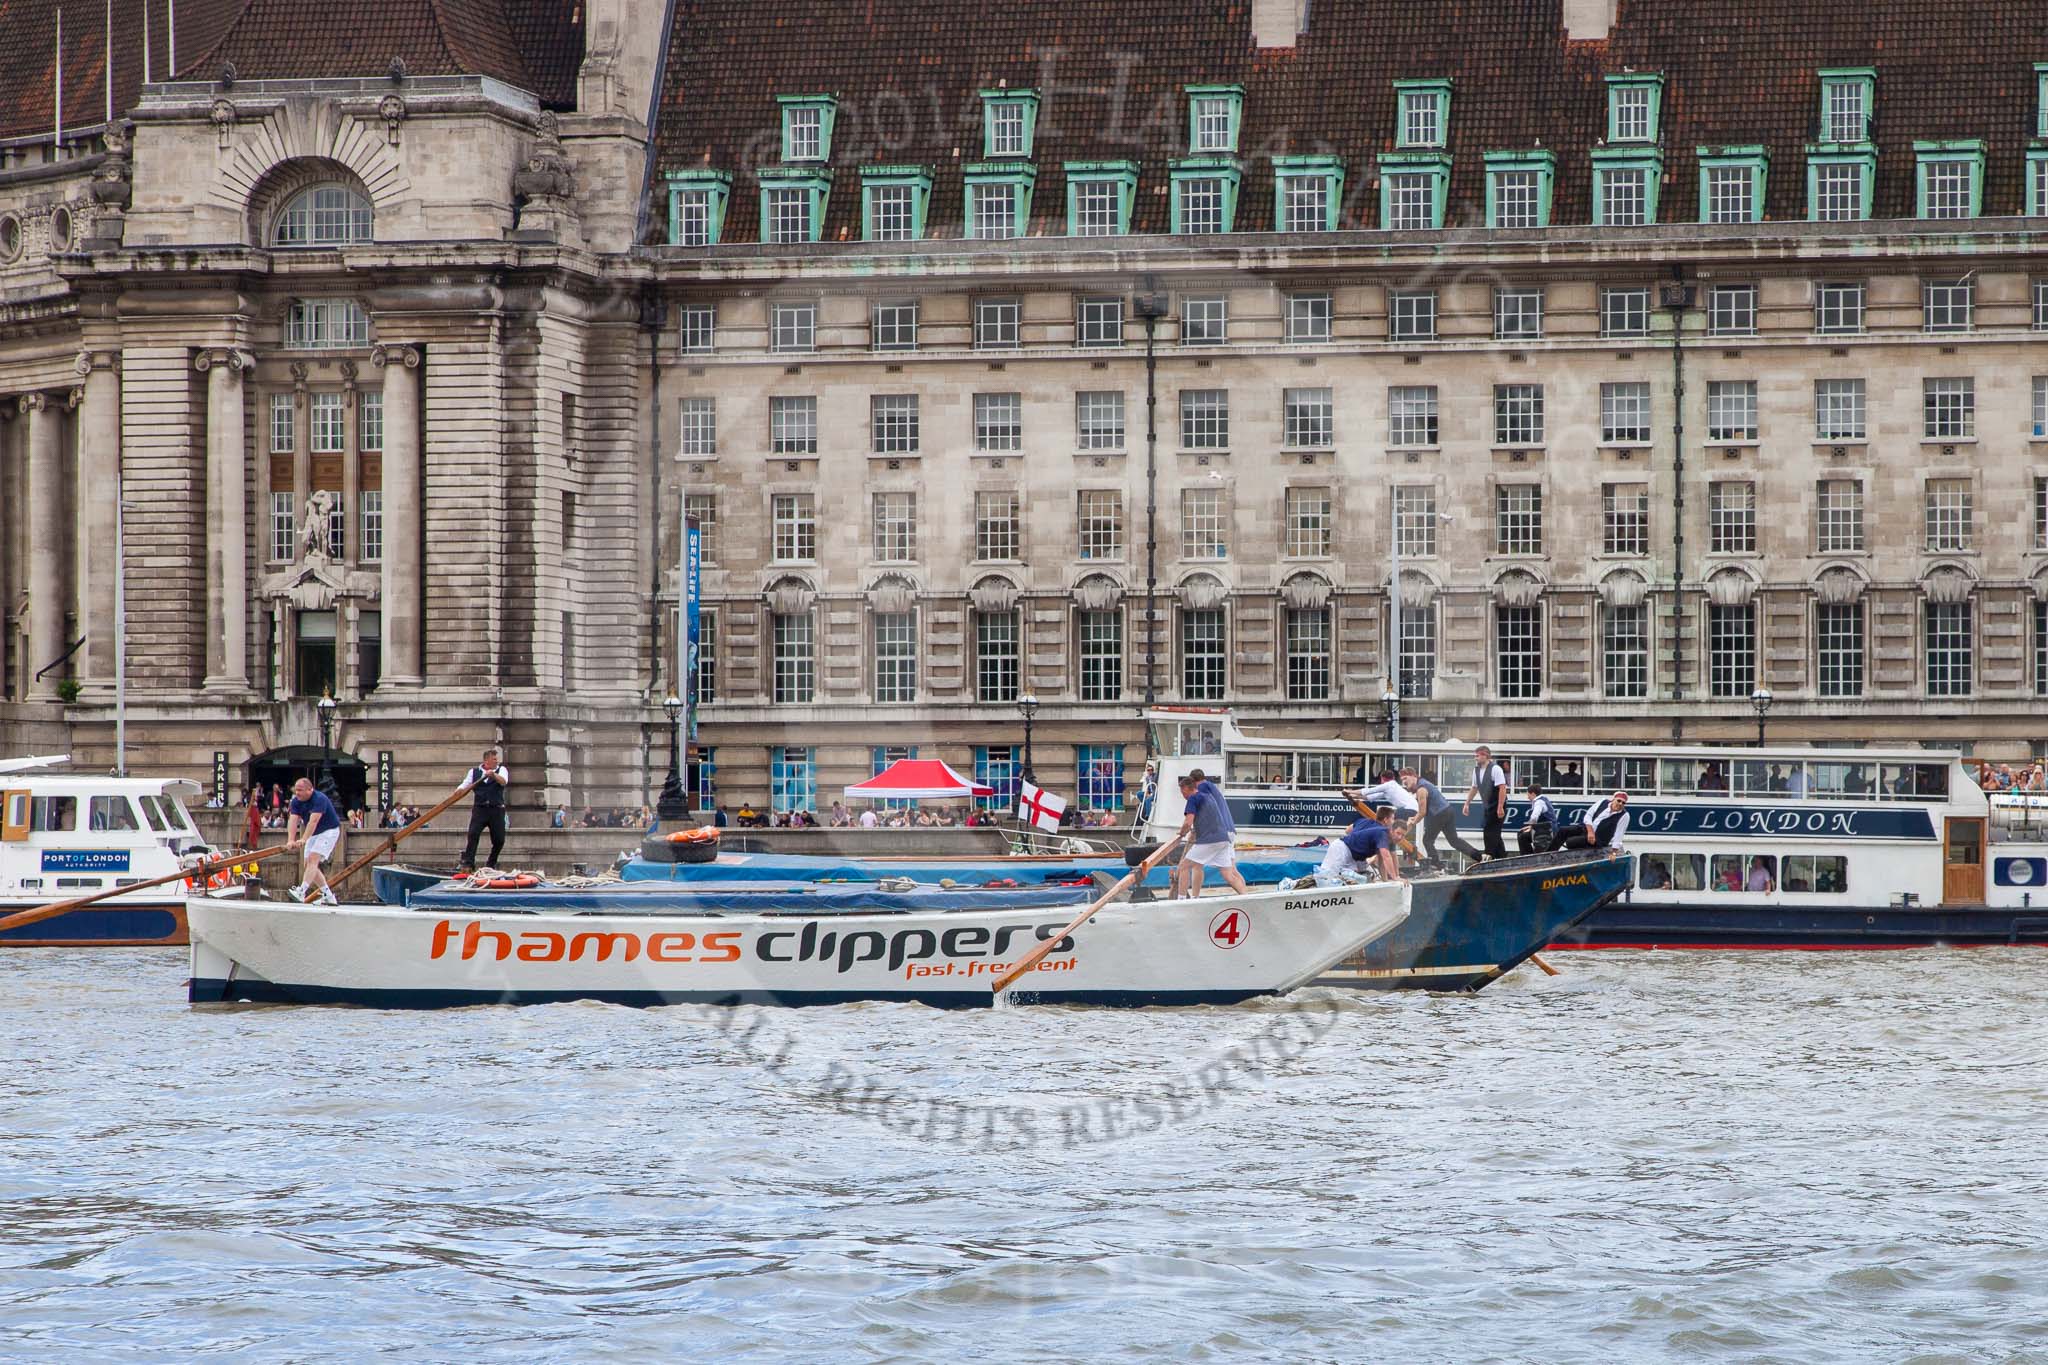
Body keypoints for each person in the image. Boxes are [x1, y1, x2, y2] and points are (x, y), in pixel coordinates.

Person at [1173, 770, 1246, 898]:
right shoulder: (1209, 795)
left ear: (1189, 788)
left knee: (1184, 867)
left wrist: (1182, 833)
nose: (1182, 795)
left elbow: (1188, 822)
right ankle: (1246, 897)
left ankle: (1181, 900)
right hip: (1224, 838)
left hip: (1209, 840)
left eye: (1182, 792)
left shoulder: (1193, 798)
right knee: (1228, 874)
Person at [1287, 808, 1401, 889]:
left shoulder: (1365, 821)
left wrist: (1386, 881)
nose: (1393, 822)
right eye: (1393, 819)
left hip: (1355, 855)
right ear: (1386, 820)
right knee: (1324, 878)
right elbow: (1386, 857)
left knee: (1363, 878)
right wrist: (1395, 878)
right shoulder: (1382, 832)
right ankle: (1292, 885)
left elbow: (1348, 830)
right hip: (1342, 849)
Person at [283, 776, 343, 905]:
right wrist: (291, 840)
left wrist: (304, 839)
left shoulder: (320, 799)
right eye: (296, 790)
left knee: (312, 860)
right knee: (308, 864)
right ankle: (328, 895)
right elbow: (293, 820)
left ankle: (301, 891)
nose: (297, 793)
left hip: (329, 831)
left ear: (310, 790)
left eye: (300, 790)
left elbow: (313, 821)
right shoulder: (296, 801)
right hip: (314, 834)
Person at [1405, 767, 1483, 865]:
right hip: (1448, 810)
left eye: (1405, 778)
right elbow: (1421, 812)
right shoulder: (1423, 783)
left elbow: (1422, 812)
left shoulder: (1421, 789)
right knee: (1454, 841)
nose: (1403, 782)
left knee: (1427, 840)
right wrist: (1414, 818)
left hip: (1438, 814)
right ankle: (1480, 857)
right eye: (1402, 779)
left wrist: (1412, 823)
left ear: (1413, 776)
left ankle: (1435, 866)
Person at [456, 747, 511, 873]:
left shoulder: (501, 770)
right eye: (494, 759)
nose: (497, 761)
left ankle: (491, 864)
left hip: (496, 810)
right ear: (486, 761)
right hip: (480, 809)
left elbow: (503, 782)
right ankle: (469, 864)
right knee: (473, 835)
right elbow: (466, 784)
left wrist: (493, 775)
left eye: (497, 759)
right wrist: (459, 790)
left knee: (499, 840)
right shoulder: (474, 772)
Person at [1461, 745, 1509, 859]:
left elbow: (1502, 788)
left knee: (1490, 831)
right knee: (1493, 832)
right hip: (1488, 806)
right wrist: (1467, 803)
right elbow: (1474, 788)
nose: (1475, 758)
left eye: (1477, 756)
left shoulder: (1495, 769)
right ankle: (1501, 857)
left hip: (1498, 804)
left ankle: (1489, 855)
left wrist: (1500, 807)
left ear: (1485, 755)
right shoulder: (1476, 770)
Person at [1561, 790, 1630, 851]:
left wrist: (1614, 852)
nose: (1620, 803)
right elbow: (1588, 815)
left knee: (1570, 842)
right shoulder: (1603, 802)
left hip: (1599, 839)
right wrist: (1590, 831)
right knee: (1563, 831)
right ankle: (1550, 852)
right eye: (1619, 801)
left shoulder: (1624, 815)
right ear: (1613, 799)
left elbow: (1619, 834)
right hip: (1587, 830)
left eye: (1623, 803)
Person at [1516, 781, 1558, 855]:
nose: (1527, 797)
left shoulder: (1539, 802)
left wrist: (1531, 828)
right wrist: (1530, 826)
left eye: (1528, 795)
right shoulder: (1543, 798)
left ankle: (1527, 856)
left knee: (1522, 837)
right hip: (1547, 828)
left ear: (1533, 794)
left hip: (1547, 830)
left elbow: (1534, 817)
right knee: (1522, 833)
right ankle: (1529, 855)